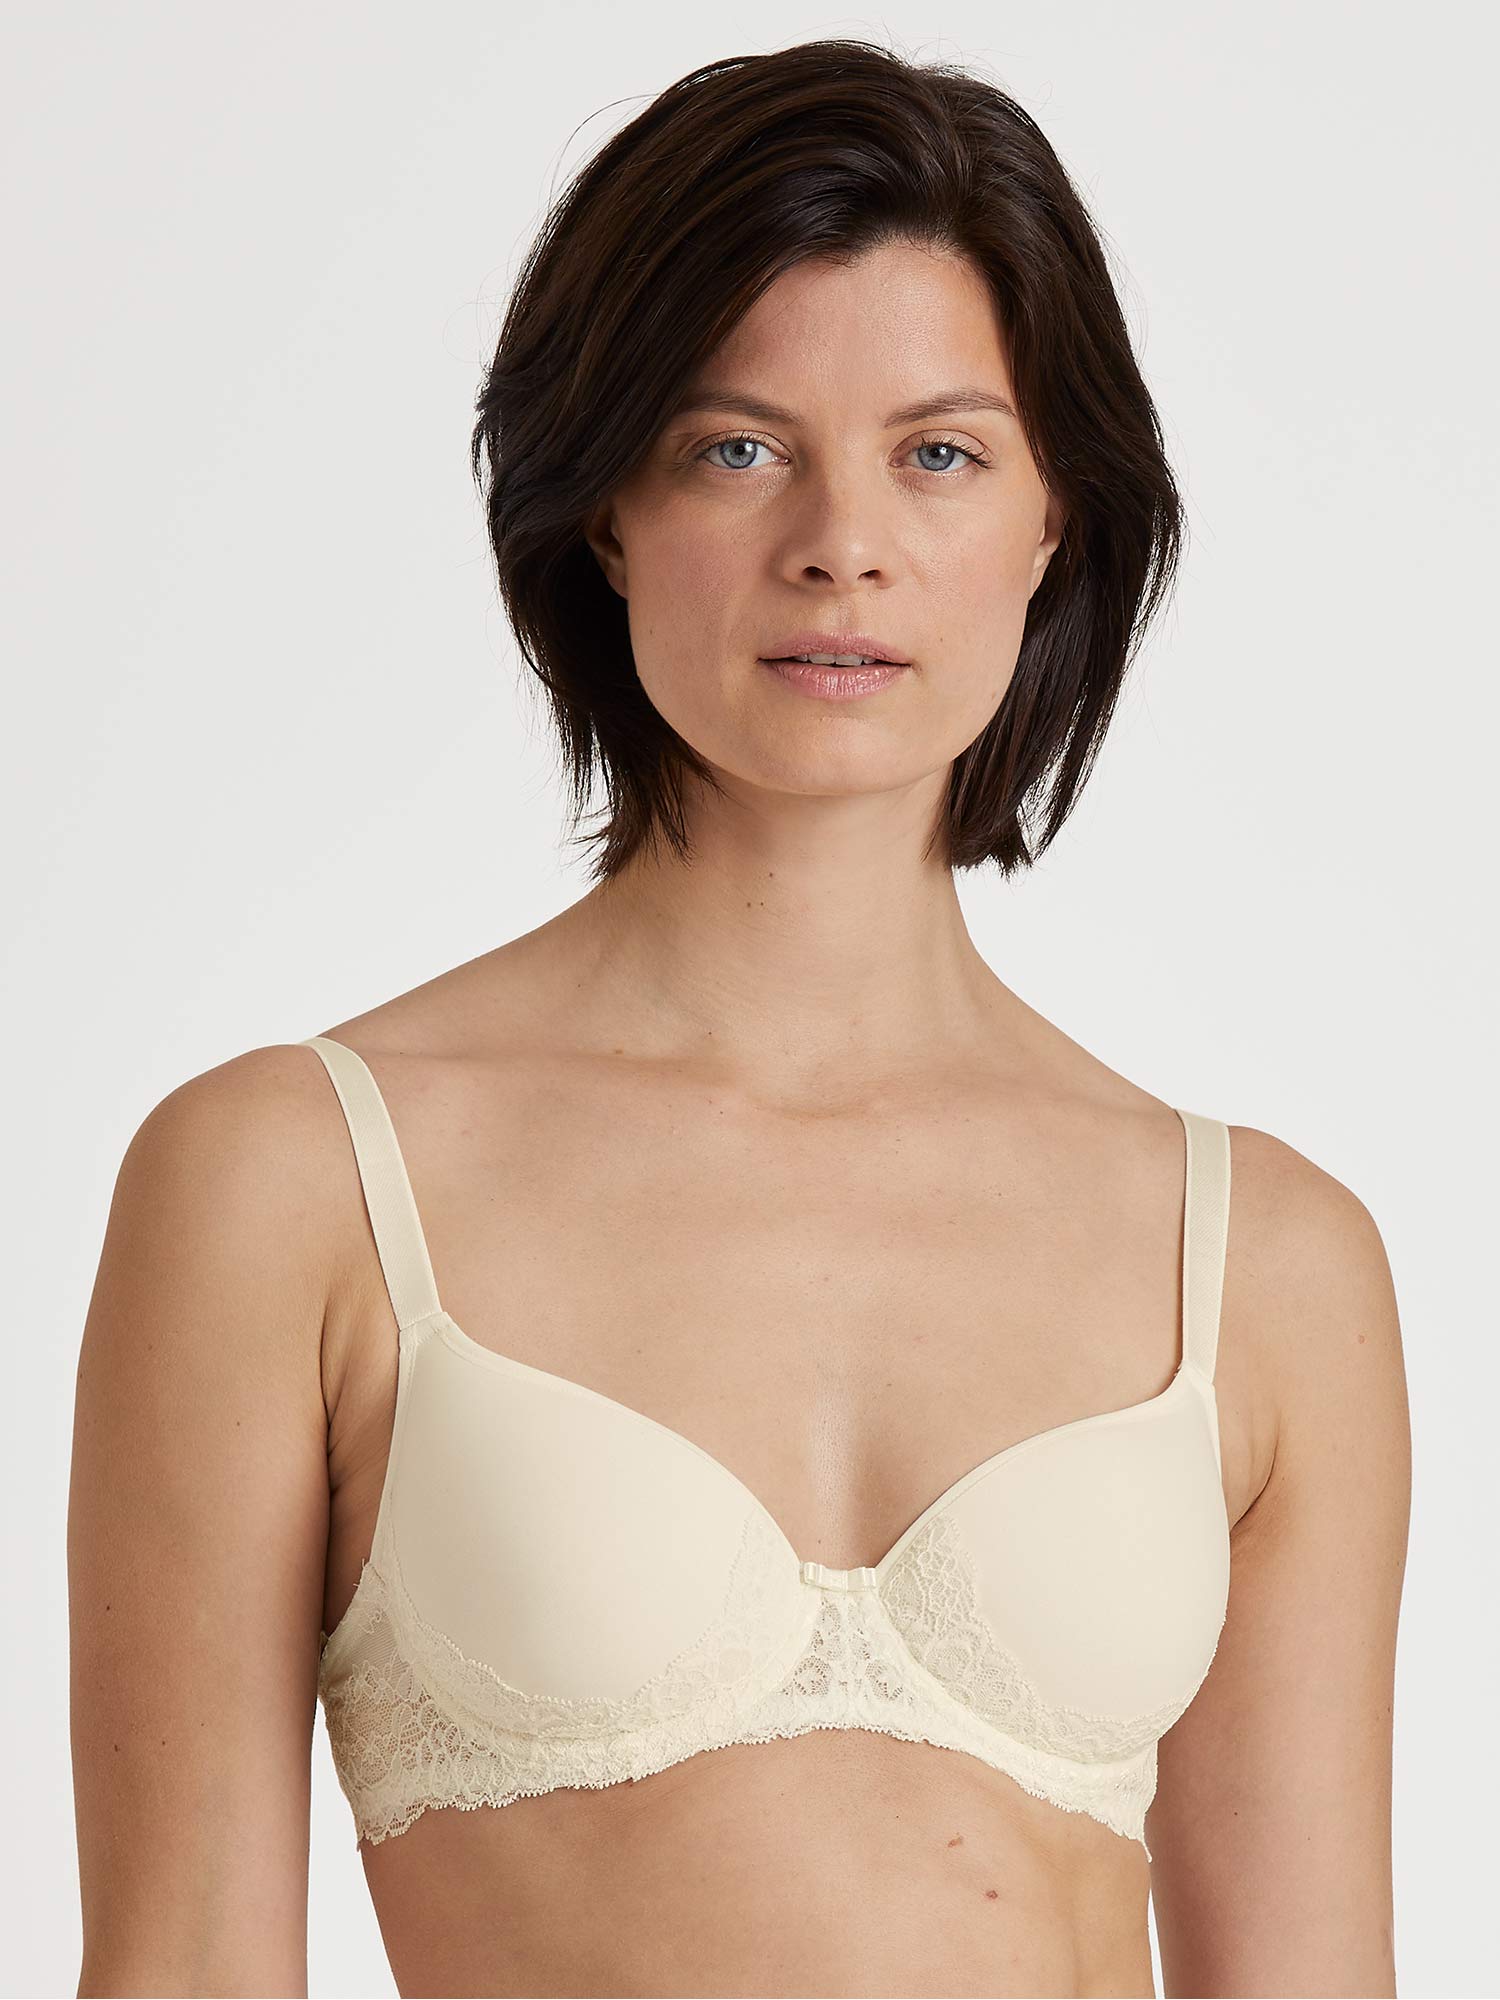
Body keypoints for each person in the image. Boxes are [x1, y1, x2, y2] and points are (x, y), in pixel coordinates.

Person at [68, 37, 1410, 2000]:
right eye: (736, 446)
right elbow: (182, 1963)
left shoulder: (1268, 1264)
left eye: (940, 452)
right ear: (605, 507)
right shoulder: (292, 1185)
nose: (841, 543)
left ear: (1054, 520)